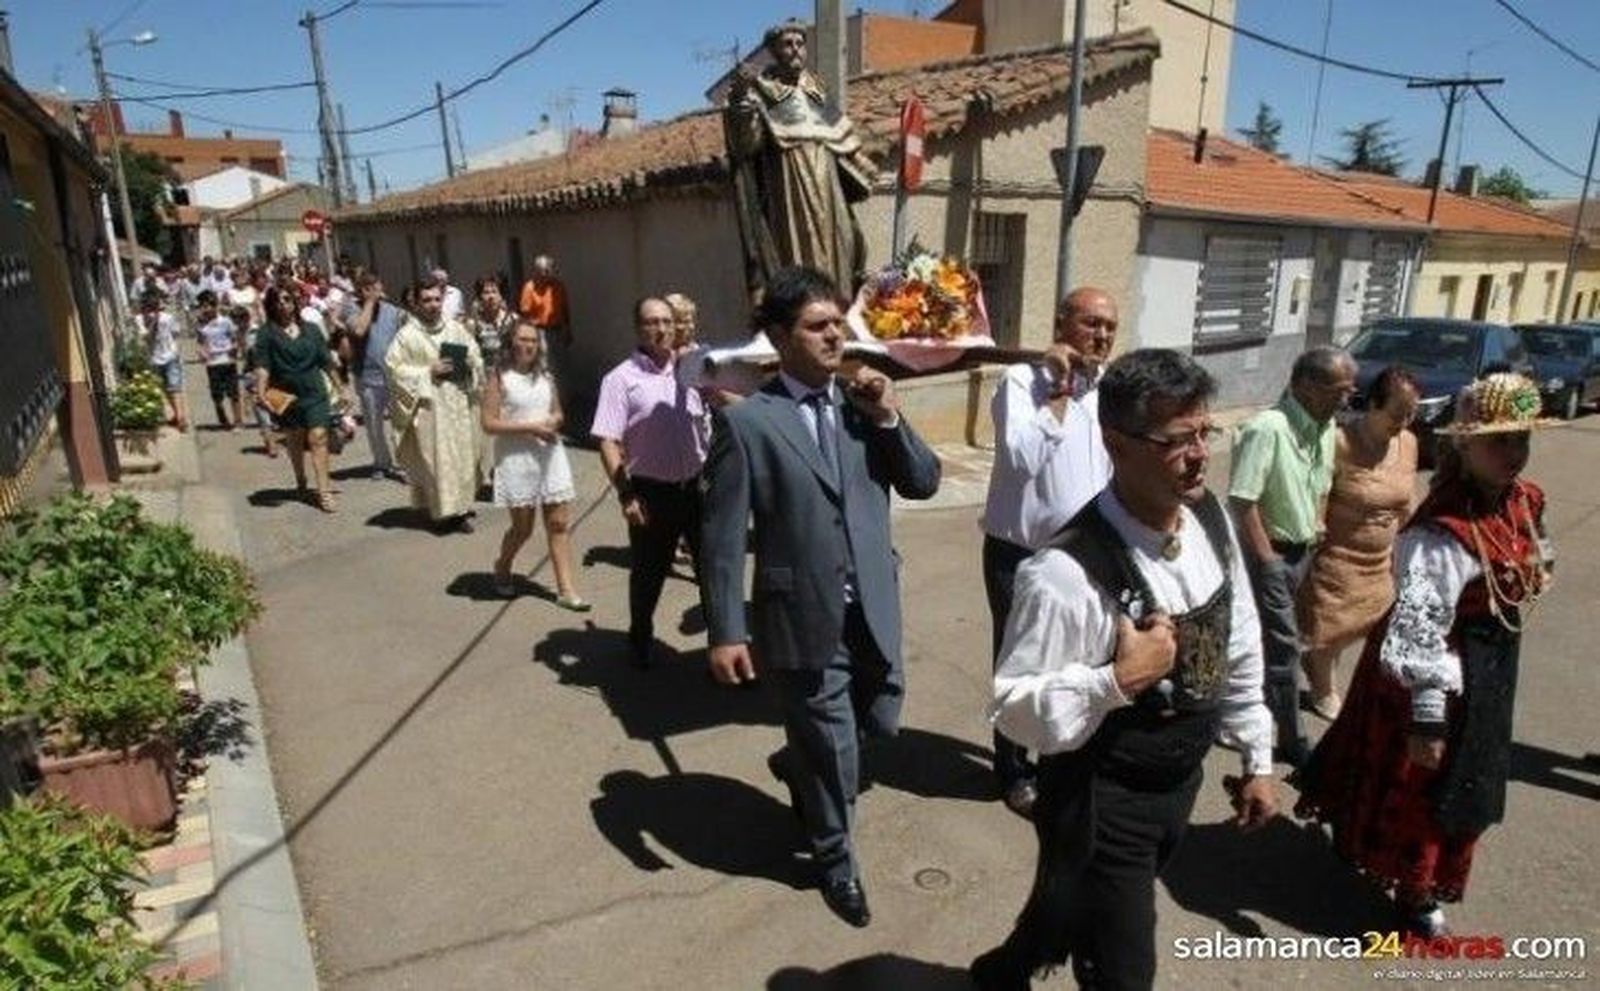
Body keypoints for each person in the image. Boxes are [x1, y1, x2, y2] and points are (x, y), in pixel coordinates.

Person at [974, 349, 1278, 991]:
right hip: (1099, 798)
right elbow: (1015, 708)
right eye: (1176, 440)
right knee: (1123, 967)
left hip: (1179, 784)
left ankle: (1005, 970)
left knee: (1069, 900)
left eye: (1204, 432)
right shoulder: (1064, 572)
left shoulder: (1209, 518)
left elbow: (1240, 636)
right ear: (1116, 444)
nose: (1199, 453)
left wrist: (1256, 756)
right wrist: (1115, 680)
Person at [701, 266, 942, 927]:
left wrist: (889, 415)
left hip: (874, 604)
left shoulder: (864, 406)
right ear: (780, 337)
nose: (836, 333)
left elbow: (923, 482)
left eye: (839, 321)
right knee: (836, 749)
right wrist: (725, 629)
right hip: (800, 613)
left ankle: (795, 758)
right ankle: (836, 860)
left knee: (880, 720)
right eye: (817, 325)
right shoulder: (748, 422)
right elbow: (721, 539)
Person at [1294, 373, 1555, 938]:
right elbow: (1420, 630)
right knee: (1423, 786)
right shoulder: (1439, 534)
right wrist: (1428, 715)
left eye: (1522, 439)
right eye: (1500, 440)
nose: (1515, 453)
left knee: (1475, 779)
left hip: (1492, 666)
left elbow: (1534, 559)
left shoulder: (1525, 500)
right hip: (1435, 676)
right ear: (1465, 445)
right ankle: (1413, 893)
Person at [978, 287, 1118, 818]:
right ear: (1062, 323)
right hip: (1021, 556)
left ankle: (1058, 756)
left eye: (1109, 326)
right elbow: (1019, 460)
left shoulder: (1105, 391)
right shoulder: (1022, 382)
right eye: (1091, 324)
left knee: (1076, 656)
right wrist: (1056, 389)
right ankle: (1012, 768)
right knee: (1020, 664)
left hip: (1085, 556)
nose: (1101, 335)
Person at [1228, 345, 1357, 766]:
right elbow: (1243, 502)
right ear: (1304, 385)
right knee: (1284, 650)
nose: (1346, 398)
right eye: (1339, 389)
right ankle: (1291, 740)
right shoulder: (1269, 428)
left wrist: (1316, 528)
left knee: (1268, 644)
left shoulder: (1323, 425)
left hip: (1301, 554)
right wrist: (1267, 562)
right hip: (1270, 555)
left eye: (1349, 390)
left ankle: (1248, 717)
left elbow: (1320, 486)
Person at [1297, 366, 1421, 720]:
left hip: (1380, 558)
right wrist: (1314, 529)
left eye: (1412, 413)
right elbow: (1318, 492)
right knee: (1330, 630)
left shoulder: (1409, 443)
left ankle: (1318, 664)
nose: (1404, 422)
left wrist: (1416, 537)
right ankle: (1323, 687)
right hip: (1338, 556)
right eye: (1397, 413)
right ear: (1373, 405)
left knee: (1372, 623)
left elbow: (1407, 494)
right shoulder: (1339, 442)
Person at [591, 297, 709, 668]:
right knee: (648, 575)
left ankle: (723, 646)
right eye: (651, 322)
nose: (661, 329)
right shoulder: (621, 379)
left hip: (698, 488)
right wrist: (626, 493)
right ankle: (640, 636)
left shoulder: (693, 370)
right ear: (638, 329)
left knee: (713, 571)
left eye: (667, 322)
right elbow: (607, 440)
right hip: (650, 492)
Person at [724, 21, 875, 298]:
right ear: (774, 51)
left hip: (828, 186)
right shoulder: (763, 92)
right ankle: (804, 311)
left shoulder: (815, 89)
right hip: (790, 183)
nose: (795, 49)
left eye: (800, 43)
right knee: (801, 249)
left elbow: (836, 130)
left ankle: (838, 308)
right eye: (787, 44)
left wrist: (859, 157)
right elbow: (746, 144)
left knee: (846, 241)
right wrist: (740, 98)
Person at [481, 318, 588, 611]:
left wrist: (553, 422)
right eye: (523, 339)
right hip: (517, 459)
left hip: (550, 456)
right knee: (523, 529)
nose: (528, 345)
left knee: (558, 523)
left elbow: (557, 413)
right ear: (511, 343)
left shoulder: (546, 377)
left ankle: (566, 589)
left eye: (533, 340)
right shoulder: (499, 377)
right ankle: (502, 565)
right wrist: (531, 428)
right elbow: (489, 424)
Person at [386, 281, 484, 532]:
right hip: (430, 410)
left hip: (457, 403)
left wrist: (471, 365)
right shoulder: (406, 336)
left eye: (437, 299)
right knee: (436, 461)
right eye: (427, 300)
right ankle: (447, 513)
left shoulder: (455, 329)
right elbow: (394, 371)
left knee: (461, 458)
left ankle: (460, 508)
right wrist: (428, 371)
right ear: (416, 303)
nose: (433, 305)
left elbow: (475, 355)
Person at [254, 285, 338, 512]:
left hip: (314, 392)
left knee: (318, 436)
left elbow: (326, 361)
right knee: (294, 437)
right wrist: (261, 391)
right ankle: (300, 477)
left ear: (295, 302)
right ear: (271, 305)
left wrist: (342, 387)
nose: (283, 304)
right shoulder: (266, 333)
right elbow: (262, 365)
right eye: (278, 301)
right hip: (285, 395)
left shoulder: (311, 329)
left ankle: (324, 490)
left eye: (287, 299)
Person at [348, 272, 407, 481]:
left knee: (401, 422)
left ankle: (403, 463)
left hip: (393, 375)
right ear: (361, 290)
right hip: (367, 376)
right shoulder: (353, 309)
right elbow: (359, 330)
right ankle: (381, 462)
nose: (374, 290)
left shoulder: (393, 311)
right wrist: (369, 303)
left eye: (376, 285)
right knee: (374, 424)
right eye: (368, 287)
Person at [138, 291, 189, 432]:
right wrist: (153, 323)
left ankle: (181, 418)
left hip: (170, 356)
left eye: (153, 310)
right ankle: (176, 414)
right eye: (146, 310)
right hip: (154, 359)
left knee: (174, 386)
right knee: (165, 388)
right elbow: (147, 337)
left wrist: (175, 349)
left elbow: (176, 332)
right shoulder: (139, 321)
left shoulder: (168, 318)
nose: (149, 314)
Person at [194, 290, 243, 429]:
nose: (206, 309)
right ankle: (223, 417)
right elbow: (200, 342)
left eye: (209, 306)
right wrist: (201, 352)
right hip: (213, 362)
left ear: (215, 306)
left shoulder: (226, 321)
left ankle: (238, 421)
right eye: (203, 306)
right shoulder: (201, 325)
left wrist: (235, 348)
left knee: (233, 393)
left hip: (227, 360)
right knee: (217, 395)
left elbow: (234, 338)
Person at [518, 254, 570, 347]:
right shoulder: (529, 288)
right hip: (539, 331)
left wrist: (567, 329)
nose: (547, 273)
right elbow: (525, 315)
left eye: (549, 270)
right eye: (545, 271)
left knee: (561, 360)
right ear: (537, 271)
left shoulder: (558, 286)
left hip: (557, 330)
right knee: (543, 360)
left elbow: (564, 309)